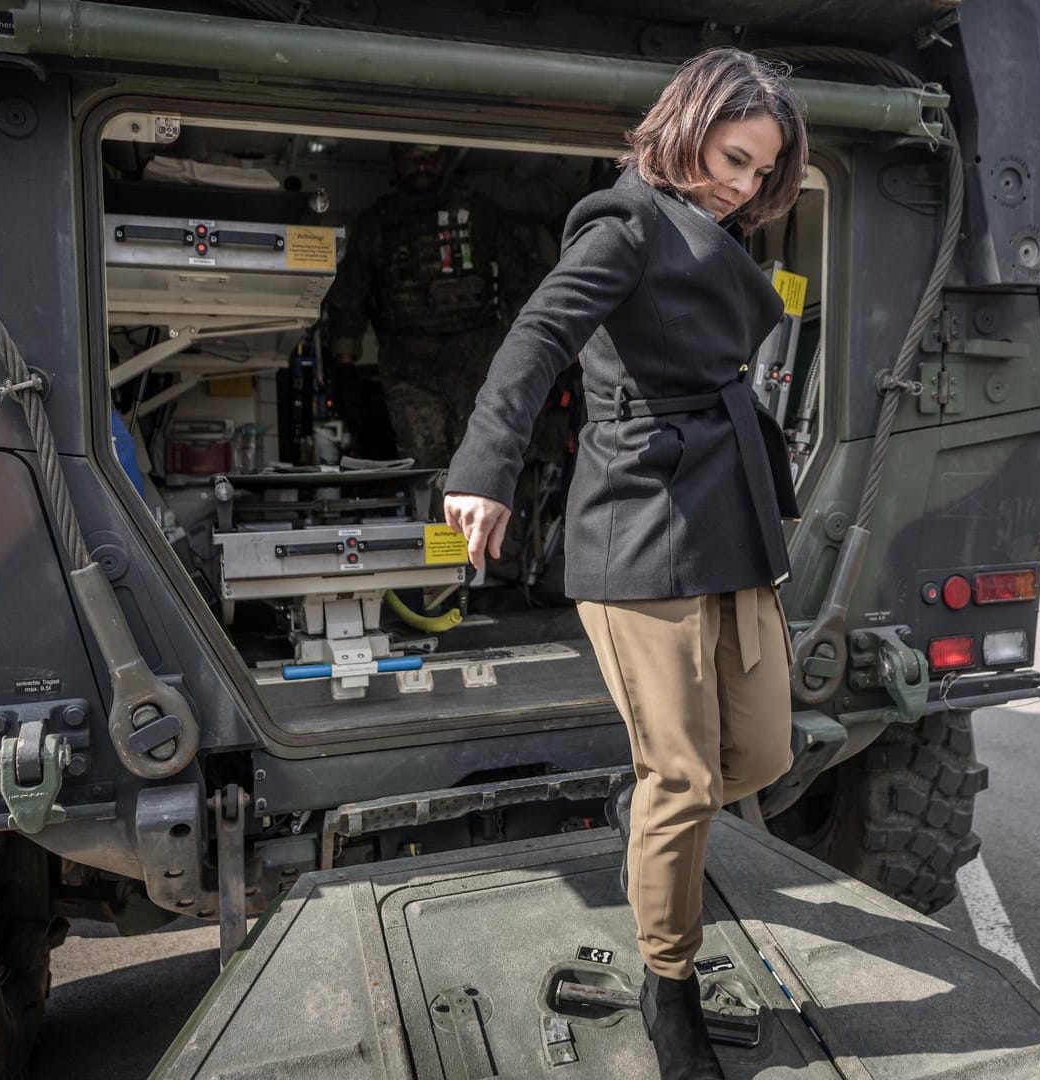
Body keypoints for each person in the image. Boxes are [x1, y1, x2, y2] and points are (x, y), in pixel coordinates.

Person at [440, 49, 807, 1080]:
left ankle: (646, 815)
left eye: (759, 175)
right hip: (645, 518)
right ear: (688, 125)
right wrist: (487, 466)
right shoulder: (626, 218)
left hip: (730, 512)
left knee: (764, 753)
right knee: (686, 778)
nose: (740, 189)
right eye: (733, 159)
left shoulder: (705, 226)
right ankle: (669, 979)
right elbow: (539, 334)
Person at [325, 143, 535, 467]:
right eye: (412, 158)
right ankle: (436, 520)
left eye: (429, 158)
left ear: (444, 160)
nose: (421, 165)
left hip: (479, 361)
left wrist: (527, 352)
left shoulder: (481, 213)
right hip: (409, 366)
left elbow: (520, 283)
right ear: (396, 161)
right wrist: (345, 358)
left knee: (484, 458)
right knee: (425, 464)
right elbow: (349, 293)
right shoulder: (378, 222)